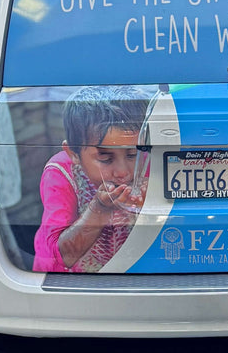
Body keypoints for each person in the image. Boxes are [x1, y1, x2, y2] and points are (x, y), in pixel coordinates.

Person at [33, 85, 150, 273]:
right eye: (105, 159)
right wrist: (99, 209)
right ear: (74, 154)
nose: (123, 172)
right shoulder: (62, 174)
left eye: (132, 155)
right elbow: (64, 256)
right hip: (68, 280)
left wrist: (152, 203)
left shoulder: (148, 162)